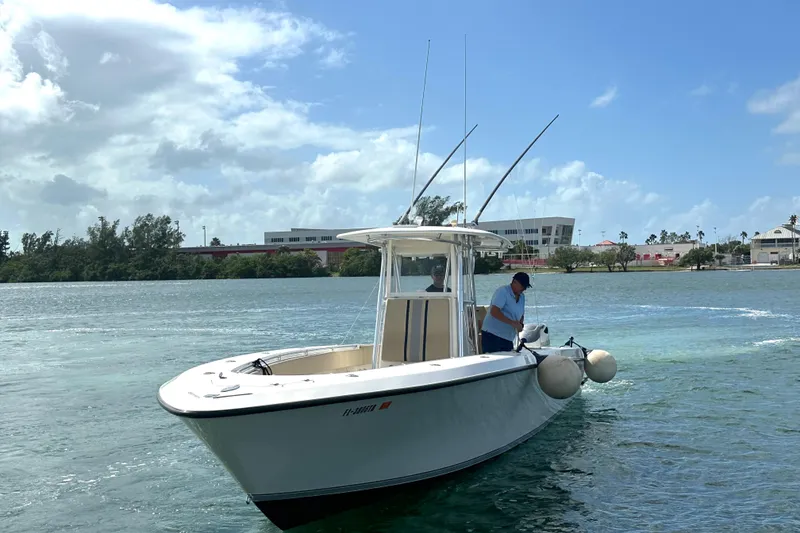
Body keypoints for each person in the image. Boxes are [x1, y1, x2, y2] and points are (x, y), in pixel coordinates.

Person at [480, 272, 531, 353]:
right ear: (514, 282)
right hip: (493, 336)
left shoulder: (522, 297)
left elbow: (521, 314)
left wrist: (521, 324)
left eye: (526, 287)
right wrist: (512, 323)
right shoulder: (502, 292)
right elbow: (494, 311)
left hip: (508, 338)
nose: (524, 289)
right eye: (523, 286)